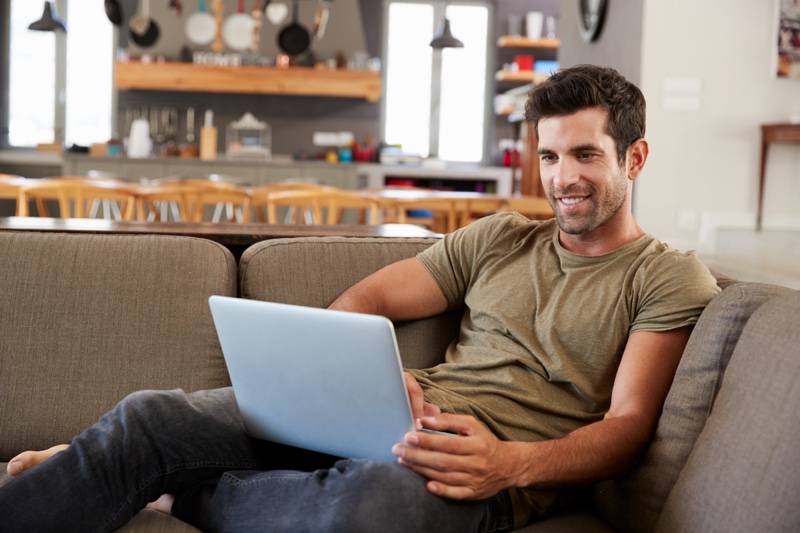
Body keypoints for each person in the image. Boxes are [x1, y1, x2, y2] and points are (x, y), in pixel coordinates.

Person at [1, 64, 720, 532]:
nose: (563, 177)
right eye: (550, 155)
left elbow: (627, 426)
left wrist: (510, 463)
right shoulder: (501, 236)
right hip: (384, 419)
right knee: (150, 414)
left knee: (365, 506)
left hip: (479, 470)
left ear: (635, 156)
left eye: (586, 154)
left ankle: (178, 493)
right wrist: (368, 385)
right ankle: (132, 473)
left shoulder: (665, 276)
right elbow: (366, 297)